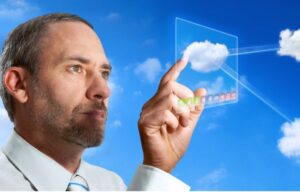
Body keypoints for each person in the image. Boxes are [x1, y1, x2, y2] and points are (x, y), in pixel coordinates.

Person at [0, 13, 206, 191]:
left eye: (104, 73)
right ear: (19, 85)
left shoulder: (113, 185)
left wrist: (158, 167)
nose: (103, 90)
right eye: (76, 68)